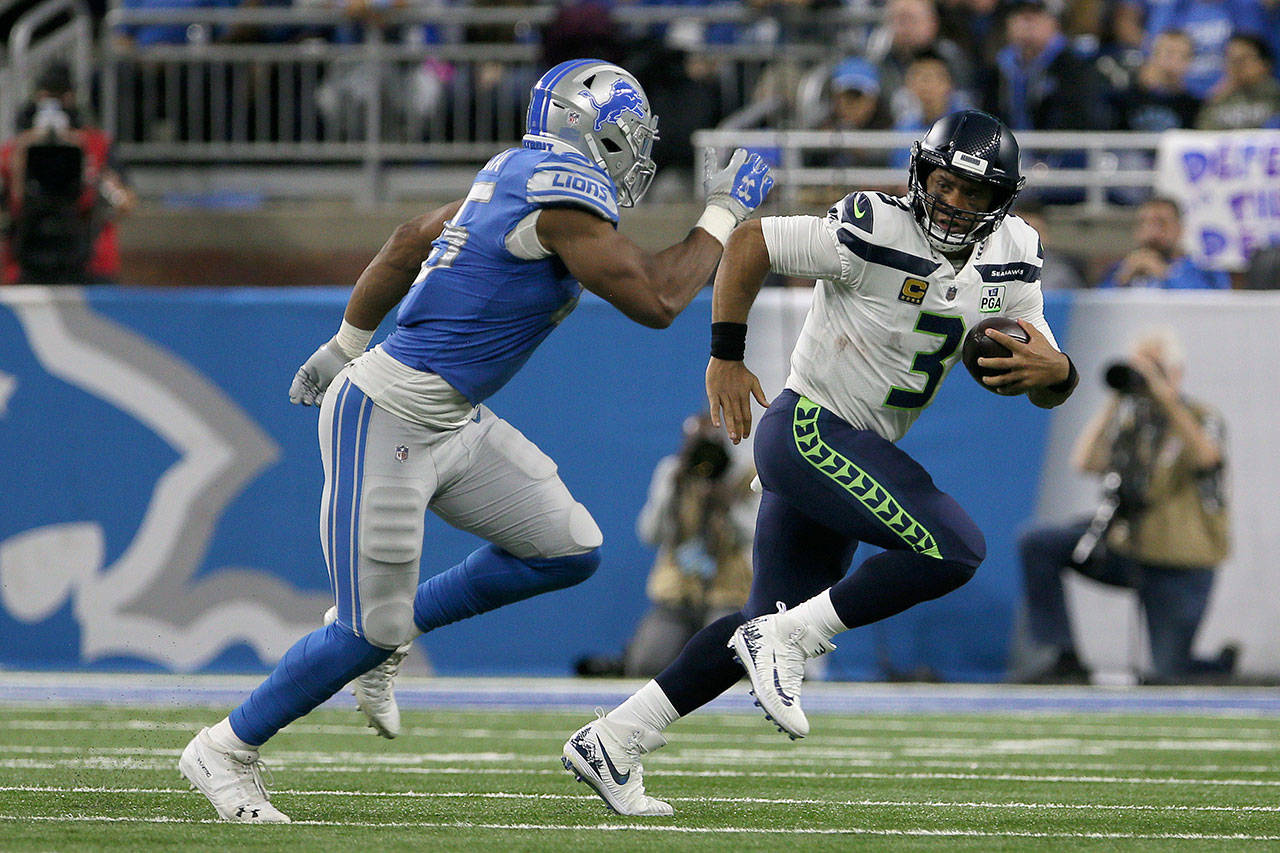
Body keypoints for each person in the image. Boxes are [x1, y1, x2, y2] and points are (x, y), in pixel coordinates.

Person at [177, 57, 774, 824]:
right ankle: (226, 747)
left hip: (449, 417)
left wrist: (344, 339)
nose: (634, 155)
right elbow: (659, 299)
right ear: (590, 133)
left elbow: (405, 240)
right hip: (389, 414)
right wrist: (722, 213)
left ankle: (390, 634)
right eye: (626, 137)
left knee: (567, 547)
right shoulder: (561, 199)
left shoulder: (510, 173)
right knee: (367, 628)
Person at [560, 109, 1078, 816]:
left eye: (975, 193)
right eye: (945, 183)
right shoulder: (873, 224)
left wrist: (1063, 371)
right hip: (809, 430)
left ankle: (615, 738)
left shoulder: (1015, 253)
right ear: (920, 175)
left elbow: (1043, 382)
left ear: (1002, 202)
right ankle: (788, 640)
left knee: (759, 618)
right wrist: (726, 353)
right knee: (955, 547)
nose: (955, 202)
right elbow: (749, 242)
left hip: (852, 450)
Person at [1011, 328, 1232, 684]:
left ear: (1176, 373)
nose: (1145, 377)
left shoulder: (1202, 417)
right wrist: (1114, 400)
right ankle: (1063, 654)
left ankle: (1216, 667)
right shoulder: (1134, 420)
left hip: (1180, 564)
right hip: (1130, 550)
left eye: (1155, 368)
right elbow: (1085, 462)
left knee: (1168, 675)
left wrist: (1165, 396)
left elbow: (1206, 458)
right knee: (1037, 542)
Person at [623, 413, 755, 677]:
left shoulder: (744, 475)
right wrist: (670, 491)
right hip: (676, 594)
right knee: (646, 666)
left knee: (721, 663)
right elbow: (649, 535)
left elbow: (753, 535)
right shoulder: (671, 471)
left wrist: (728, 506)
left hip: (728, 594)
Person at [0, 62, 135, 284]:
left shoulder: (95, 145)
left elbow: (126, 203)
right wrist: (21, 160)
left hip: (88, 262)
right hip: (26, 258)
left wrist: (98, 180)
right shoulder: (14, 150)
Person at [1097, 196, 1230, 289]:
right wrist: (1122, 279)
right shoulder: (1118, 270)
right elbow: (1095, 308)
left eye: (1161, 223)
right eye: (1144, 223)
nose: (1152, 232)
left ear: (1180, 229)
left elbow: (1211, 307)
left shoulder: (1205, 269)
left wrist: (1165, 274)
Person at [1195, 33, 1280, 130]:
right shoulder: (1218, 99)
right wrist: (1213, 101)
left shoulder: (1276, 96)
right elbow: (1204, 134)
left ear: (1264, 63)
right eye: (1231, 60)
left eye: (1243, 59)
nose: (1236, 66)